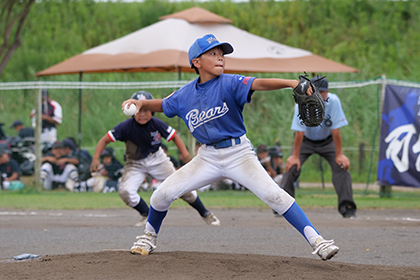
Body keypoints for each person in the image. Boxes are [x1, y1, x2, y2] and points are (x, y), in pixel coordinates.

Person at [123, 34, 339, 261]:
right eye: (213, 54)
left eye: (222, 54)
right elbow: (164, 104)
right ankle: (148, 236)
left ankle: (318, 240)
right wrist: (142, 103)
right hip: (206, 157)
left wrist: (292, 83)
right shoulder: (184, 94)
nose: (220, 58)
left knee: (276, 196)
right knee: (160, 196)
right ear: (196, 62)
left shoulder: (230, 82)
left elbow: (259, 83)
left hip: (239, 154)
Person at [90, 91, 221, 227]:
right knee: (126, 191)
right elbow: (104, 140)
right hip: (135, 163)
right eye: (138, 110)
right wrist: (95, 159)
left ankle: (205, 213)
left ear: (152, 111)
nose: (142, 114)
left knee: (181, 186)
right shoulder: (126, 127)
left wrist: (187, 157)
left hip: (158, 160)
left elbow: (175, 137)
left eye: (146, 110)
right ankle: (147, 215)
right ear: (132, 111)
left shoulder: (156, 124)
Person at [280, 77, 357, 218]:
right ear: (310, 91)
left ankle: (348, 208)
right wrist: (295, 156)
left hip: (327, 141)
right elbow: (299, 132)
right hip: (305, 141)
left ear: (328, 92)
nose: (321, 95)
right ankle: (282, 207)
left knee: (342, 167)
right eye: (317, 92)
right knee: (291, 166)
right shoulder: (301, 103)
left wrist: (339, 154)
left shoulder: (333, 101)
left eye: (324, 92)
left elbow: (336, 130)